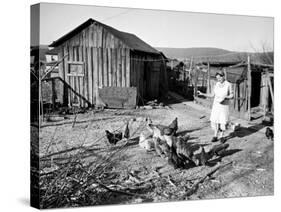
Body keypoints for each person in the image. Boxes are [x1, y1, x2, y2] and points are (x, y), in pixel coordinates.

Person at [197, 69, 234, 143]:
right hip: (216, 105)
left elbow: (232, 95)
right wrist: (202, 94)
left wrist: (226, 97)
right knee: (215, 121)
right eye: (217, 78)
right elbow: (212, 95)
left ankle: (221, 136)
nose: (218, 79)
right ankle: (215, 135)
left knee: (222, 121)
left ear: (223, 76)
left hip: (224, 105)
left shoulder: (228, 84)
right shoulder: (216, 84)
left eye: (220, 77)